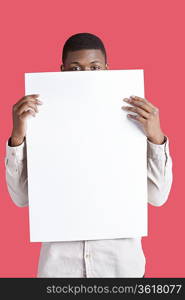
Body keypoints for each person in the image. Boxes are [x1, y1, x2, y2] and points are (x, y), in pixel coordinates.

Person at [5, 32, 173, 277]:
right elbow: (20, 198)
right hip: (60, 269)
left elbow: (158, 197)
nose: (85, 76)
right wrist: (18, 135)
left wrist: (155, 136)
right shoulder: (40, 121)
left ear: (107, 69)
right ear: (61, 71)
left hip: (120, 267)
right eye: (75, 69)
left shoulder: (135, 120)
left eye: (94, 67)